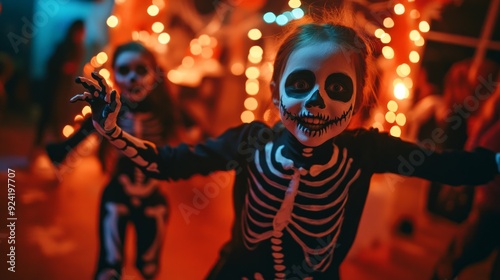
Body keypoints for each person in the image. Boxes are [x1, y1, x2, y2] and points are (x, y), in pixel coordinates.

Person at [70, 11, 500, 280]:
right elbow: (171, 163)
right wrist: (111, 132)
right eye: (300, 84)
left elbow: (446, 166)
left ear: (355, 103)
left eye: (336, 87)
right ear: (276, 92)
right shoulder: (250, 141)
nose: (316, 102)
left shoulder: (365, 150)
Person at [54, 41, 178, 279]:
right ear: (115, 75)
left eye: (141, 70)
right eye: (124, 71)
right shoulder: (110, 112)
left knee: (150, 267)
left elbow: (200, 144)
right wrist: (61, 151)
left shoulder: (167, 111)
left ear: (155, 74)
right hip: (117, 195)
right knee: (109, 268)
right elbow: (77, 138)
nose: (133, 79)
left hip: (153, 198)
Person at [431, 80, 500, 280]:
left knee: (455, 258)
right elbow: (480, 148)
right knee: (455, 257)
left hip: (489, 199)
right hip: (489, 201)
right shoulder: (492, 113)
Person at [34, 19, 86, 147]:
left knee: (58, 118)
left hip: (65, 89)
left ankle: (56, 149)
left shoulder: (78, 48)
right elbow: (50, 64)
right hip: (54, 87)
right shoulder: (63, 46)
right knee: (49, 117)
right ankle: (48, 148)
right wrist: (62, 67)